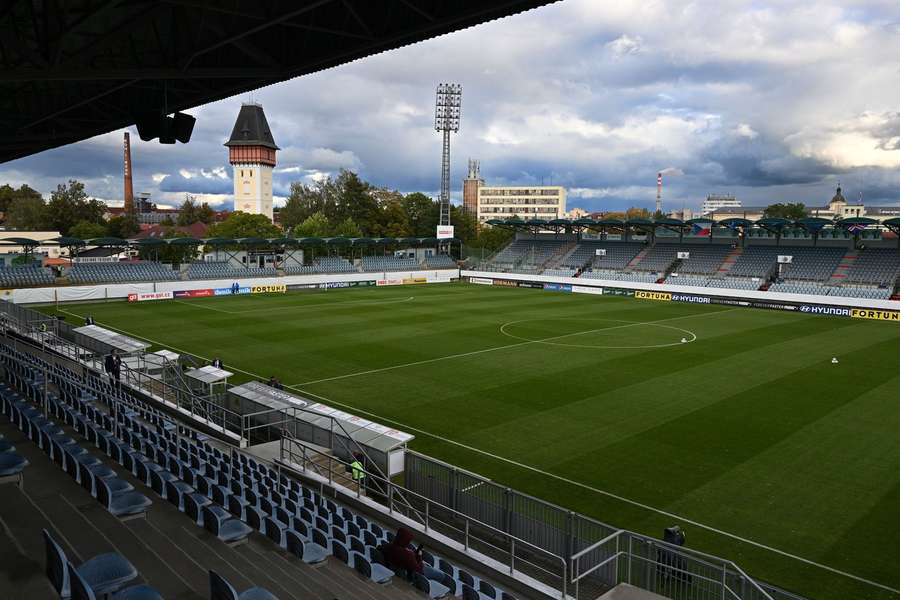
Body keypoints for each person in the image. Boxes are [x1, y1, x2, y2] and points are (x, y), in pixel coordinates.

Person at [382, 528, 452, 585]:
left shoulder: (388, 546)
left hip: (399, 568)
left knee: (429, 565)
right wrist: (419, 557)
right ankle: (431, 587)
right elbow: (419, 570)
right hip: (414, 572)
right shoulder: (408, 554)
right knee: (441, 575)